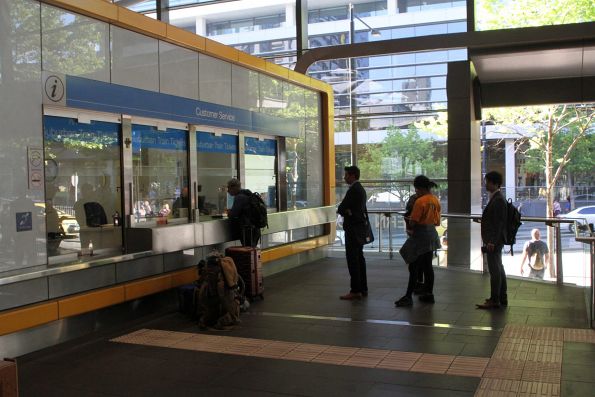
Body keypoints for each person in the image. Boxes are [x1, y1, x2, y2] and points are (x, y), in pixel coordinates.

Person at [395, 175, 441, 307]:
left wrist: (410, 225)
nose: (416, 192)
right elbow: (437, 222)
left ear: (420, 188)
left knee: (413, 265)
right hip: (432, 235)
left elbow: (413, 221)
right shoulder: (435, 200)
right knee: (427, 266)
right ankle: (428, 294)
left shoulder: (420, 202)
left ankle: (408, 296)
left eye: (416, 189)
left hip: (420, 236)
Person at [477, 171, 508, 309]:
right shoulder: (496, 198)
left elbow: (499, 223)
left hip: (493, 241)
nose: (485, 184)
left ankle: (495, 299)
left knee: (495, 270)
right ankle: (501, 297)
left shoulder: (498, 200)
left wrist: (492, 241)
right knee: (498, 268)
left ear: (495, 183)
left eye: (487, 181)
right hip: (494, 241)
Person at [337, 165, 368, 300]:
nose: (344, 177)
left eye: (347, 175)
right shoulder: (360, 189)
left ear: (353, 175)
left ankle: (355, 290)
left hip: (353, 229)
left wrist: (347, 211)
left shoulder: (354, 190)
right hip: (359, 229)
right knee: (359, 258)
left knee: (353, 259)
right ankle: (362, 288)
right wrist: (347, 210)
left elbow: (341, 208)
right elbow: (346, 209)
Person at [227, 178, 260, 247]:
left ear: (235, 187)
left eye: (229, 187)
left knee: (247, 252)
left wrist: (229, 212)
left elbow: (233, 214)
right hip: (255, 229)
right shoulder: (248, 194)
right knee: (252, 251)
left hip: (247, 230)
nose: (228, 190)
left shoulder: (239, 197)